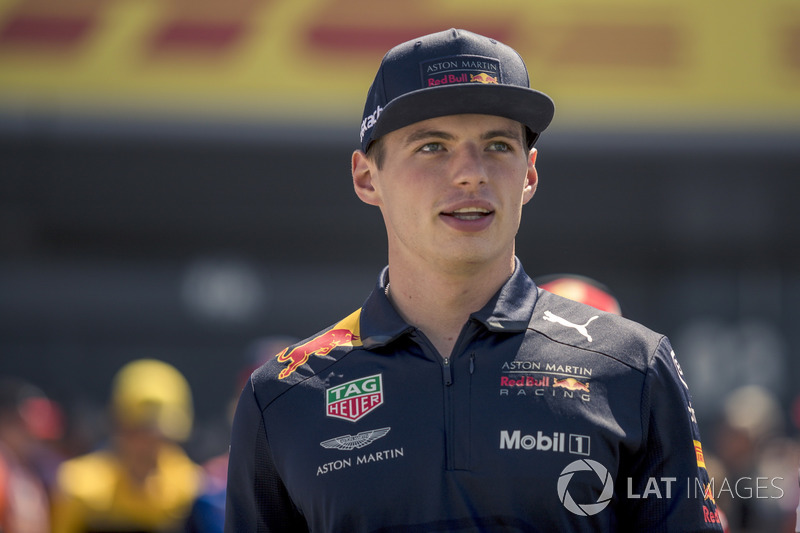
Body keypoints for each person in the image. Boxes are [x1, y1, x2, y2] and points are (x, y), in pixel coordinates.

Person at [225, 28, 723, 532]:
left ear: (528, 174)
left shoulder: (632, 366)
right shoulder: (283, 395)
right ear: (366, 177)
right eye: (432, 146)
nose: (470, 174)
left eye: (498, 145)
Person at [51, 359, 204, 533]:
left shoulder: (193, 489)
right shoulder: (77, 486)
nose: (147, 444)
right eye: (138, 431)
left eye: (158, 436)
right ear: (119, 428)